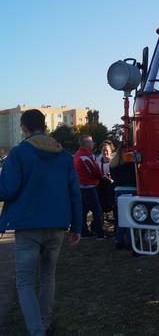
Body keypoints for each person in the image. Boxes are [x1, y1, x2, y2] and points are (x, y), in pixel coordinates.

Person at [0, 109, 82, 336]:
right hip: (57, 227)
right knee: (48, 276)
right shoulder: (65, 156)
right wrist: (77, 227)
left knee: (25, 281)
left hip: (27, 227)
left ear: (24, 128)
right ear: (45, 126)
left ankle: (37, 331)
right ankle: (44, 324)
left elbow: (7, 190)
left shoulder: (18, 154)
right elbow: (75, 193)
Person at [74, 135, 107, 239]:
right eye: (91, 142)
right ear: (86, 143)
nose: (93, 143)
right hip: (89, 186)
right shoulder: (86, 156)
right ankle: (100, 233)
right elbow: (95, 170)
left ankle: (84, 232)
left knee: (83, 210)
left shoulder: (77, 154)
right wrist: (102, 177)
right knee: (97, 210)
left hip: (81, 186)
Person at [96, 140, 116, 223]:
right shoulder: (98, 162)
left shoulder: (114, 162)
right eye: (103, 151)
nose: (105, 152)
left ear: (111, 151)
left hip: (112, 186)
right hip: (102, 187)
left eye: (107, 151)